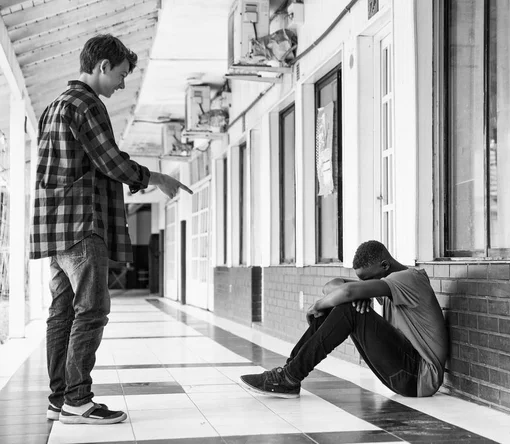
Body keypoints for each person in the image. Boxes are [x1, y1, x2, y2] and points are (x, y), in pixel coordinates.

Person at [29, 34, 192, 425]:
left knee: (62, 313)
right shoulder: (87, 104)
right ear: (102, 66)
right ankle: (78, 400)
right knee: (92, 310)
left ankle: (60, 399)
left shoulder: (53, 107)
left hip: (56, 229)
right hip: (83, 224)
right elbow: (109, 160)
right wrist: (154, 177)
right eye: (120, 75)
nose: (122, 84)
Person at [240, 240, 448, 398]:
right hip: (404, 372)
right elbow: (333, 284)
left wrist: (320, 304)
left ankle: (288, 378)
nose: (364, 284)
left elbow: (347, 291)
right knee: (344, 304)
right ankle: (288, 372)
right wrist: (359, 293)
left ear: (384, 265)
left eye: (366, 280)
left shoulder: (408, 279)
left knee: (348, 307)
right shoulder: (388, 282)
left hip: (419, 376)